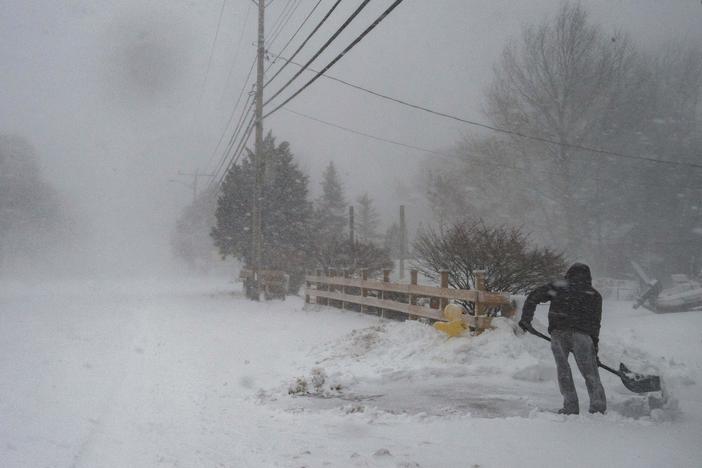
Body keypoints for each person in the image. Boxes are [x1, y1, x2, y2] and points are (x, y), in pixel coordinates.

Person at [519, 263, 606, 415]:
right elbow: (595, 325)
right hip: (583, 336)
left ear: (569, 274)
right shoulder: (594, 295)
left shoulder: (559, 286)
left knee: (563, 370)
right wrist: (594, 351)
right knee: (590, 372)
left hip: (558, 333)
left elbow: (533, 296)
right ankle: (598, 407)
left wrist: (526, 319)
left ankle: (570, 407)